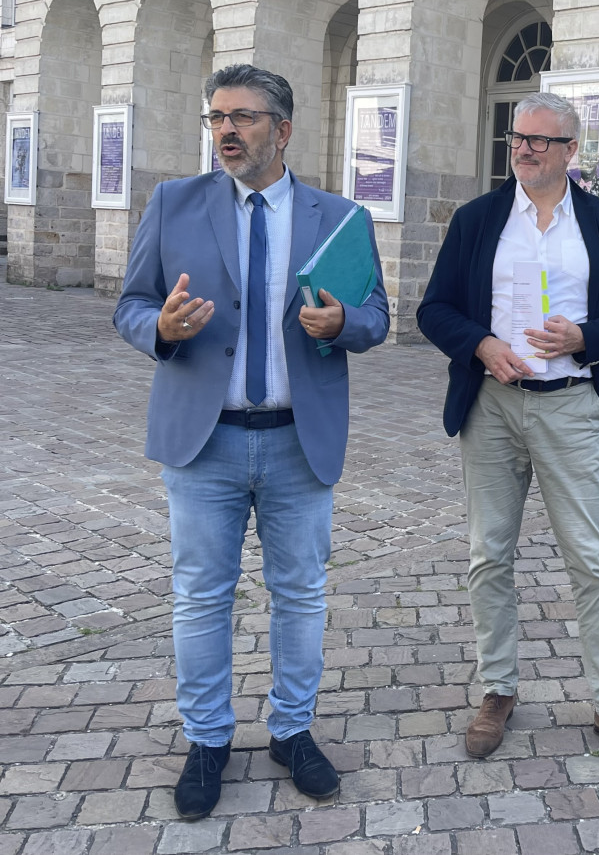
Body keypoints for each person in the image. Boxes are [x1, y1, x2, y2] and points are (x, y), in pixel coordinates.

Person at [114, 65, 390, 819]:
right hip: (205, 444)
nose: (226, 131)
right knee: (201, 597)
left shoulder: (341, 218)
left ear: (283, 128)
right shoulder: (175, 203)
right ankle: (207, 740)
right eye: (216, 118)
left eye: (242, 117)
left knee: (299, 596)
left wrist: (345, 326)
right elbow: (131, 305)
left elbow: (378, 316)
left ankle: (291, 731)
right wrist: (159, 330)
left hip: (300, 441)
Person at [416, 92, 599, 768]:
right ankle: (497, 689)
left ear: (570, 152)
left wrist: (586, 336)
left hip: (570, 406)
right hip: (492, 407)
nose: (523, 149)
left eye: (538, 141)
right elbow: (433, 309)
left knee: (589, 557)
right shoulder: (477, 221)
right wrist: (479, 345)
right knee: (488, 553)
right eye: (516, 138)